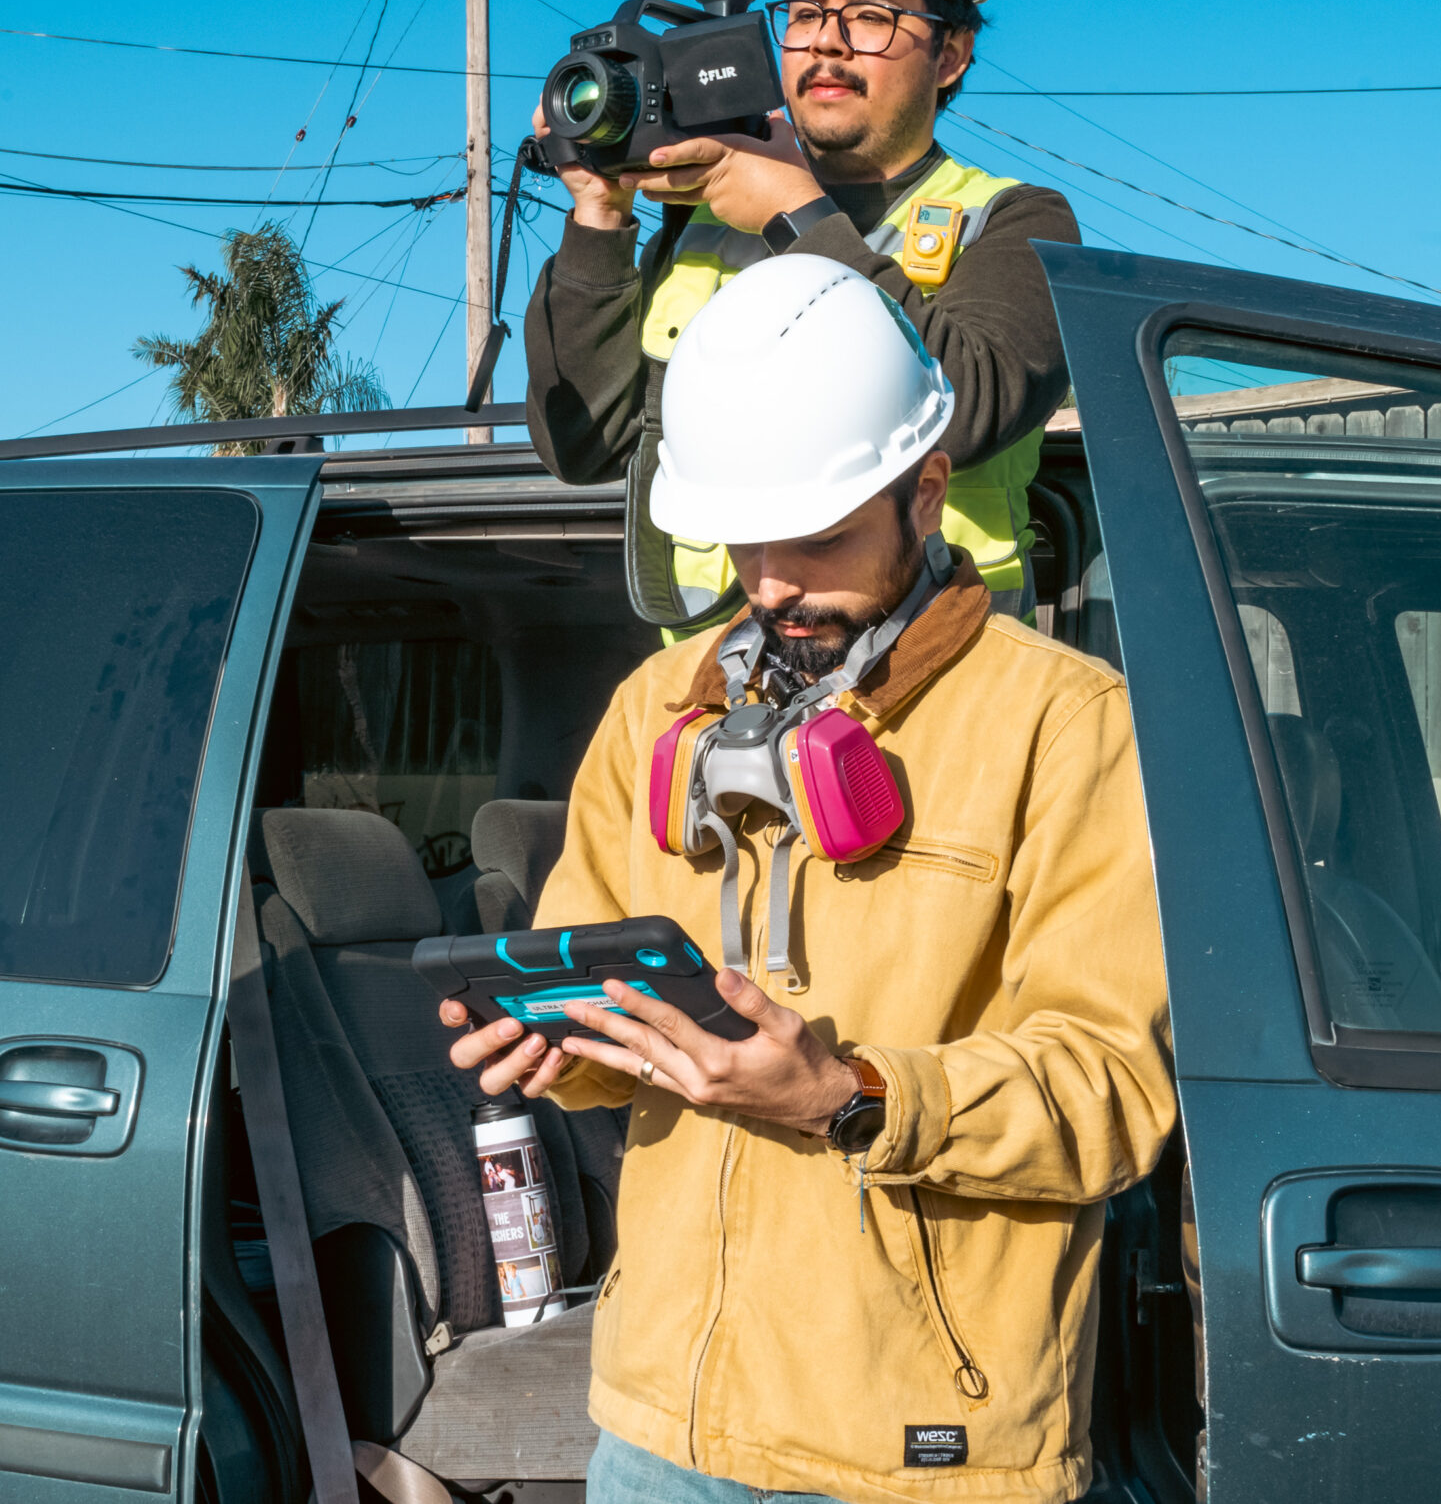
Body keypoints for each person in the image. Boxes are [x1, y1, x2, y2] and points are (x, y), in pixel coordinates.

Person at [446, 253, 1173, 1503]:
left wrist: (850, 1094)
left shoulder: (1069, 724)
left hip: (916, 1446)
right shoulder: (654, 707)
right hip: (658, 1422)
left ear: (928, 489)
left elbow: (1113, 1089)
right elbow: (593, 983)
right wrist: (559, 1052)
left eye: (819, 537)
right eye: (745, 540)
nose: (773, 582)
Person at [525, 0, 1080, 628]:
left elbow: (969, 401)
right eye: (809, 11)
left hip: (936, 705)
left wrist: (796, 214)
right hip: (719, 705)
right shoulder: (703, 224)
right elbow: (579, 448)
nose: (826, 40)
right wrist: (600, 215)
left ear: (951, 53)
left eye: (871, 18)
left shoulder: (1016, 218)